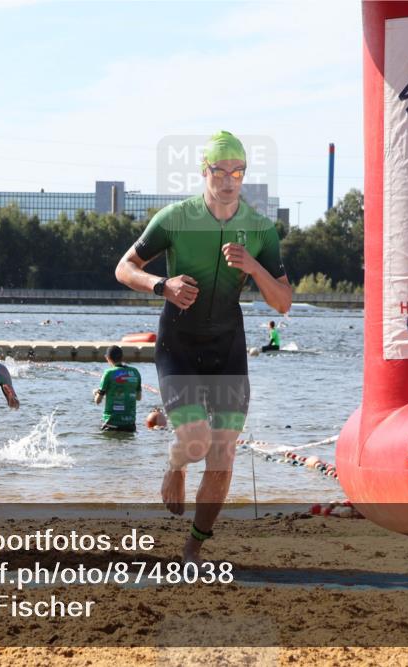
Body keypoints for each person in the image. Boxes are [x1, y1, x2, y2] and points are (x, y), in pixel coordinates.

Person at [114, 130, 292, 563]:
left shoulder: (261, 229)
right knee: (195, 442)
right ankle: (175, 465)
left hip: (227, 347)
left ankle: (193, 548)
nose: (228, 180)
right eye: (220, 170)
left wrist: (253, 267)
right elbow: (124, 267)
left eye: (237, 171)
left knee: (222, 454)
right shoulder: (175, 218)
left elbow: (283, 302)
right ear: (204, 171)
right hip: (179, 344)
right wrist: (163, 284)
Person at [93, 345, 142, 433]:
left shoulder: (108, 373)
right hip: (130, 424)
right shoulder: (135, 372)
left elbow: (98, 401)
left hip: (111, 423)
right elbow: (138, 398)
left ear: (107, 358)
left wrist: (96, 393)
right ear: (122, 357)